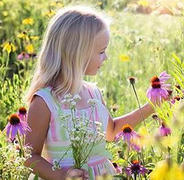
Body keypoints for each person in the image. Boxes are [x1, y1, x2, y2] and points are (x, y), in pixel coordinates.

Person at [24, 5, 156, 180]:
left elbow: (112, 132)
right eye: (101, 52)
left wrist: (152, 106)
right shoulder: (45, 101)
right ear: (77, 53)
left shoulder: (93, 93)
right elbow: (29, 156)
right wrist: (62, 175)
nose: (106, 57)